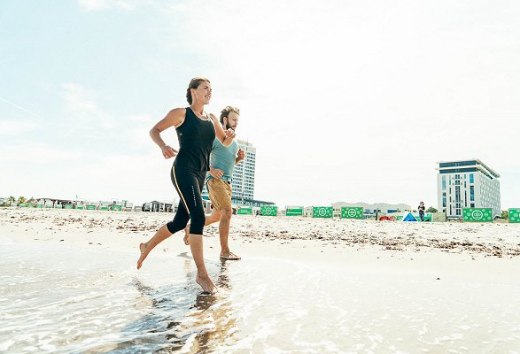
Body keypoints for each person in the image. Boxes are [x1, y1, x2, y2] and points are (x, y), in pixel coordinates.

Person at [136, 77, 235, 294]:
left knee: (181, 220)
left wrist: (229, 136)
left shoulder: (211, 119)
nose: (210, 92)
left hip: (200, 174)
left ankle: (147, 246)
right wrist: (163, 146)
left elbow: (224, 141)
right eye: (205, 88)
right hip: (183, 170)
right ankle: (202, 273)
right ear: (193, 91)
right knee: (198, 216)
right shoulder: (181, 113)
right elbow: (154, 130)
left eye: (211, 89)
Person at [184, 106, 245, 261]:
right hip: (215, 182)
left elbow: (229, 163)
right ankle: (225, 251)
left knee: (217, 216)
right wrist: (210, 170)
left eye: (237, 120)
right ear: (224, 120)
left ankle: (191, 227)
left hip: (227, 183)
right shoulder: (216, 137)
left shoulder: (235, 143)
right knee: (227, 211)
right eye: (233, 119)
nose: (236, 122)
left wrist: (238, 159)